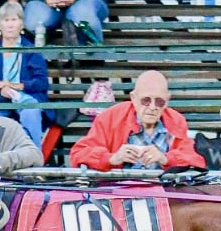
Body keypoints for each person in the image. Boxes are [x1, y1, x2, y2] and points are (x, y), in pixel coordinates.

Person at [68, 70, 207, 170]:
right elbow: (78, 154)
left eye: (159, 102)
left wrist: (166, 158)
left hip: (164, 192)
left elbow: (195, 160)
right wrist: (112, 158)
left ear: (167, 100)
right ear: (133, 98)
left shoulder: (176, 120)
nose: (153, 107)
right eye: (146, 101)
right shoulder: (110, 117)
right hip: (120, 191)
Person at [0, 1, 49, 146]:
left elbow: (42, 82)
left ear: (22, 24)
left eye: (14, 20)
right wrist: (0, 87)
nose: (10, 24)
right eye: (6, 20)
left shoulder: (30, 49)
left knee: (30, 111)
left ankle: (33, 156)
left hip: (27, 97)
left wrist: (18, 86)